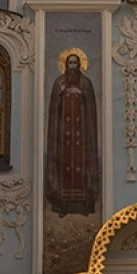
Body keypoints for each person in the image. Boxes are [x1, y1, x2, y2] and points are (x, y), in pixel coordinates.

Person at [43, 53, 100, 215]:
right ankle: (63, 207)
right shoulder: (58, 83)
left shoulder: (86, 83)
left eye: (75, 63)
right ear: (66, 65)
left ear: (80, 64)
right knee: (64, 169)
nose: (73, 66)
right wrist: (62, 94)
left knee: (82, 169)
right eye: (70, 63)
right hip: (63, 137)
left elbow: (91, 110)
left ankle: (84, 207)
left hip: (82, 135)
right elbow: (54, 109)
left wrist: (81, 95)